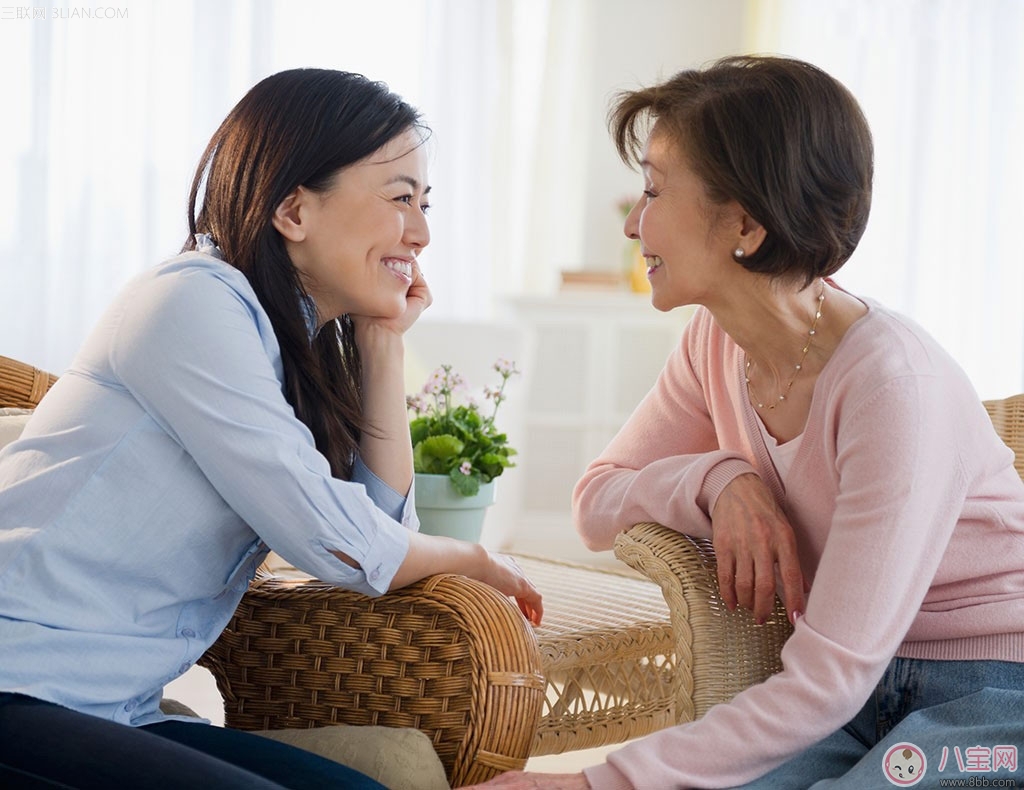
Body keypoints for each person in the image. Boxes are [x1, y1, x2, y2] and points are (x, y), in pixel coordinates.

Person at [471, 55, 1024, 789]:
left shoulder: (894, 387)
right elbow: (597, 501)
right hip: (847, 699)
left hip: (990, 695)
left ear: (745, 225)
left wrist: (591, 782)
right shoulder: (714, 341)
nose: (635, 223)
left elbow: (827, 679)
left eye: (654, 190)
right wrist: (719, 478)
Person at [0, 68, 542, 789]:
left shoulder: (288, 346)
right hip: (23, 683)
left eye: (425, 202)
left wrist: (383, 343)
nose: (422, 231)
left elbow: (377, 531)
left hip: (112, 706)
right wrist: (471, 557)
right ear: (293, 211)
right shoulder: (192, 304)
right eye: (400, 199)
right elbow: (347, 545)